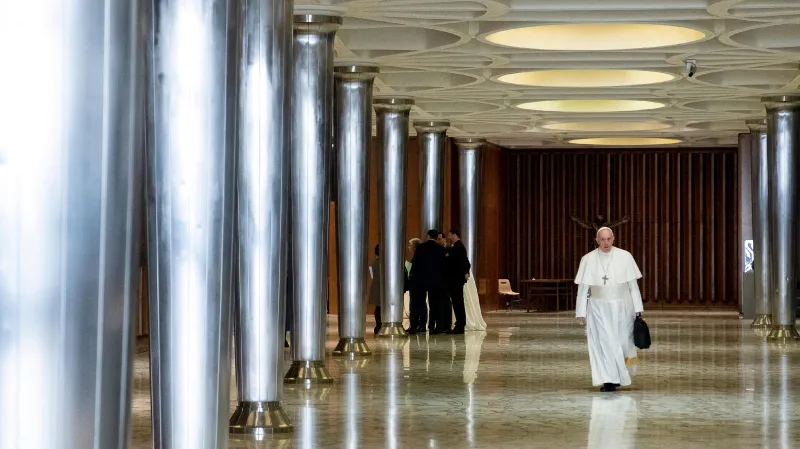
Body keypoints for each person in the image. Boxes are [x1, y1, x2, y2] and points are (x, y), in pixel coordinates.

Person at [574, 227, 644, 392]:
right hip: (597, 307)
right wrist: (580, 312)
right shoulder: (588, 259)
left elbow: (633, 287)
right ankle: (609, 380)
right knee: (604, 343)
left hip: (620, 307)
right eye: (602, 240)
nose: (606, 243)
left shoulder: (625, 256)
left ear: (613, 239)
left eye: (609, 239)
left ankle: (616, 376)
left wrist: (638, 308)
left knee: (619, 342)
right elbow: (583, 289)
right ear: (597, 241)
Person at [409, 229, 447, 334]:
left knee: (420, 303)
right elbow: (443, 266)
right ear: (436, 237)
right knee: (434, 304)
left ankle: (417, 326)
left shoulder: (421, 247)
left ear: (428, 236)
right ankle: (433, 326)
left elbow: (415, 263)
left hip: (421, 280)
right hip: (435, 281)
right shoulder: (440, 249)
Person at [445, 229, 471, 334]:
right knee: (457, 302)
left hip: (456, 280)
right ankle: (459, 324)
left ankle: (460, 325)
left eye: (450, 235)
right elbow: (467, 263)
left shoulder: (458, 247)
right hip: (457, 279)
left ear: (455, 235)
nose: (448, 237)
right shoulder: (458, 247)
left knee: (458, 303)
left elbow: (463, 263)